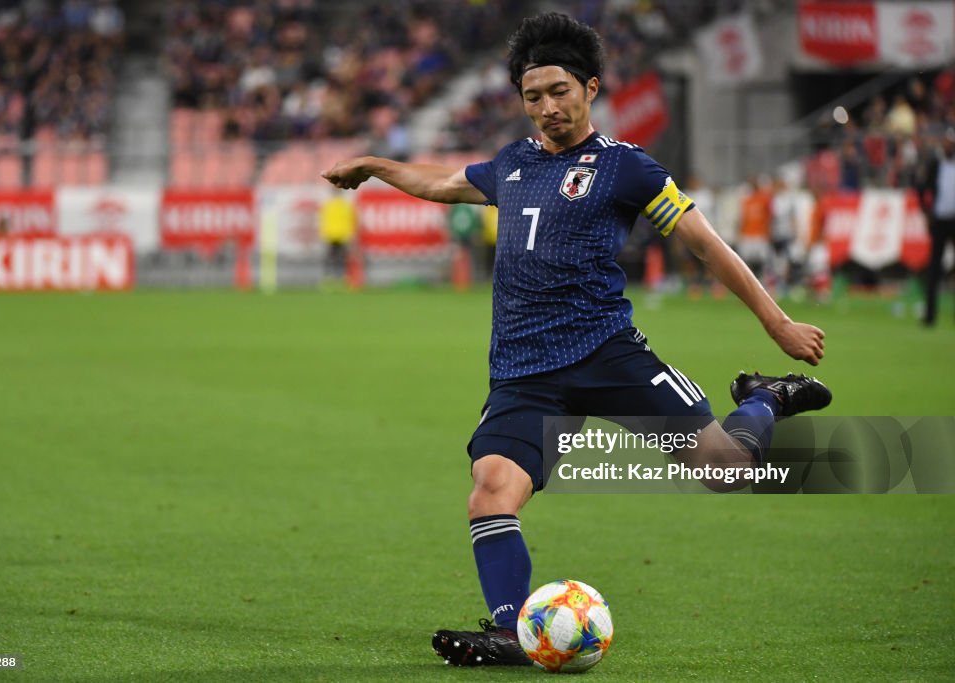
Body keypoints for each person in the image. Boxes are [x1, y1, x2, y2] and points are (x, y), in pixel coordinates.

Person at [322, 12, 831, 667]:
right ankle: (511, 631)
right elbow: (442, 183)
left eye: (559, 91)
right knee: (491, 489)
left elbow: (705, 245)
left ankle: (765, 398)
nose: (546, 107)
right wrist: (373, 164)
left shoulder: (626, 168)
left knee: (726, 471)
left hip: (607, 353)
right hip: (525, 370)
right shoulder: (511, 165)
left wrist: (777, 321)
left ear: (590, 88)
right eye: (533, 96)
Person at [916, 127, 955, 326]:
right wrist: (926, 211)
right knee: (934, 268)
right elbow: (921, 187)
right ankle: (930, 315)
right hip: (940, 220)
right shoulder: (936, 163)